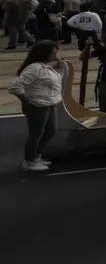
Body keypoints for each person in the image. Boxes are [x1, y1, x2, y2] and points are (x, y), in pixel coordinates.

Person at [7, 40, 65, 172]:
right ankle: (30, 160)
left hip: (50, 103)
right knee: (36, 133)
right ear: (45, 53)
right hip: (37, 105)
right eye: (54, 50)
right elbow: (15, 86)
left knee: (51, 130)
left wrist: (61, 65)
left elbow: (53, 80)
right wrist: (25, 102)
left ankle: (36, 155)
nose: (56, 52)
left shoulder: (46, 67)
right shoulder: (34, 68)